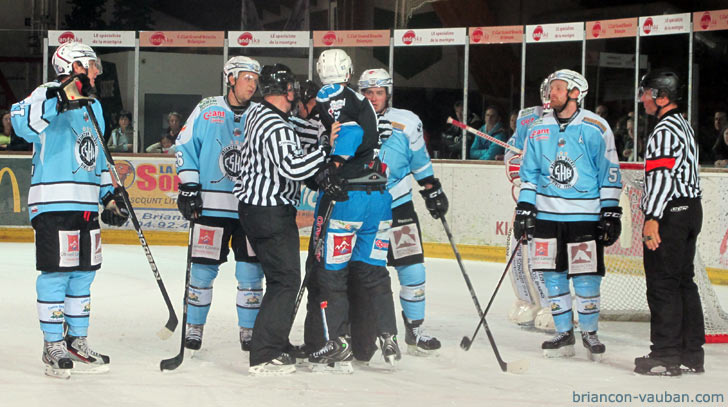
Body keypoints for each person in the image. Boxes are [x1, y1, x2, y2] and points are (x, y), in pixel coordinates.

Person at [10, 41, 129, 378]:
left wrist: (109, 195)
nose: (96, 72)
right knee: (57, 274)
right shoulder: (46, 93)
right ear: (73, 66)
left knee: (83, 274)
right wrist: (58, 101)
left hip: (86, 204)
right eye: (91, 66)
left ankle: (76, 340)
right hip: (53, 203)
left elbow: (100, 156)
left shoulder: (95, 106)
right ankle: (52, 345)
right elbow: (21, 124)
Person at [513, 69, 622, 361]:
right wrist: (524, 207)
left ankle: (589, 333)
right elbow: (530, 173)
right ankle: (563, 332)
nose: (552, 94)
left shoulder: (596, 127)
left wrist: (610, 211)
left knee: (587, 278)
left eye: (559, 89)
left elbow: (609, 172)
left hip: (584, 217)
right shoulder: (538, 128)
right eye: (551, 89)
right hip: (548, 216)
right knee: (552, 276)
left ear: (576, 93)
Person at [303, 49, 400, 370]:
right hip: (379, 199)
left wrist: (333, 164)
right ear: (348, 70)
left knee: (331, 273)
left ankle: (338, 340)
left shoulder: (329, 97)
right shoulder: (362, 101)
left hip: (347, 200)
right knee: (373, 272)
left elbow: (349, 131)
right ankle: (387, 334)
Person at [233, 64, 331, 376]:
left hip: (259, 209)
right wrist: (326, 152)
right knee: (284, 280)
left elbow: (291, 143)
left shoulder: (261, 115)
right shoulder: (274, 125)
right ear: (282, 90)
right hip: (269, 211)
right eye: (290, 86)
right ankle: (264, 354)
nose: (294, 92)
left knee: (282, 279)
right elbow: (292, 166)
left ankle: (276, 341)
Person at [352, 68, 447, 358]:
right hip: (363, 209)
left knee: (413, 268)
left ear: (388, 94)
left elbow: (419, 162)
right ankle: (363, 331)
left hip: (398, 205)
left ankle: (415, 330)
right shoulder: (350, 119)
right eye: (368, 93)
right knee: (365, 274)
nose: (373, 98)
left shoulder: (408, 121)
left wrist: (432, 188)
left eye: (379, 92)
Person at [174, 56, 265, 353]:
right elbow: (185, 146)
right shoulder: (207, 108)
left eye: (255, 78)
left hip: (249, 208)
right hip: (211, 208)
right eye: (246, 77)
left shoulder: (261, 114)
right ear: (230, 79)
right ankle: (194, 328)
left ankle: (249, 332)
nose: (251, 83)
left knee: (251, 274)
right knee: (201, 271)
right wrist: (189, 186)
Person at [634, 70, 704, 376]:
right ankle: (691, 354)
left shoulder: (663, 130)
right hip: (690, 210)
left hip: (671, 213)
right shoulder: (683, 125)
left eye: (646, 93)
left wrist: (652, 218)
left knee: (663, 284)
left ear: (661, 96)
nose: (641, 99)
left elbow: (661, 178)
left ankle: (665, 355)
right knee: (683, 281)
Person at [503, 77, 552, 330]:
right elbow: (510, 156)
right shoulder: (527, 119)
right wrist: (519, 163)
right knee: (517, 253)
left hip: (557, 205)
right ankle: (527, 301)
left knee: (544, 256)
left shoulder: (581, 124)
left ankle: (553, 305)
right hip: (527, 202)